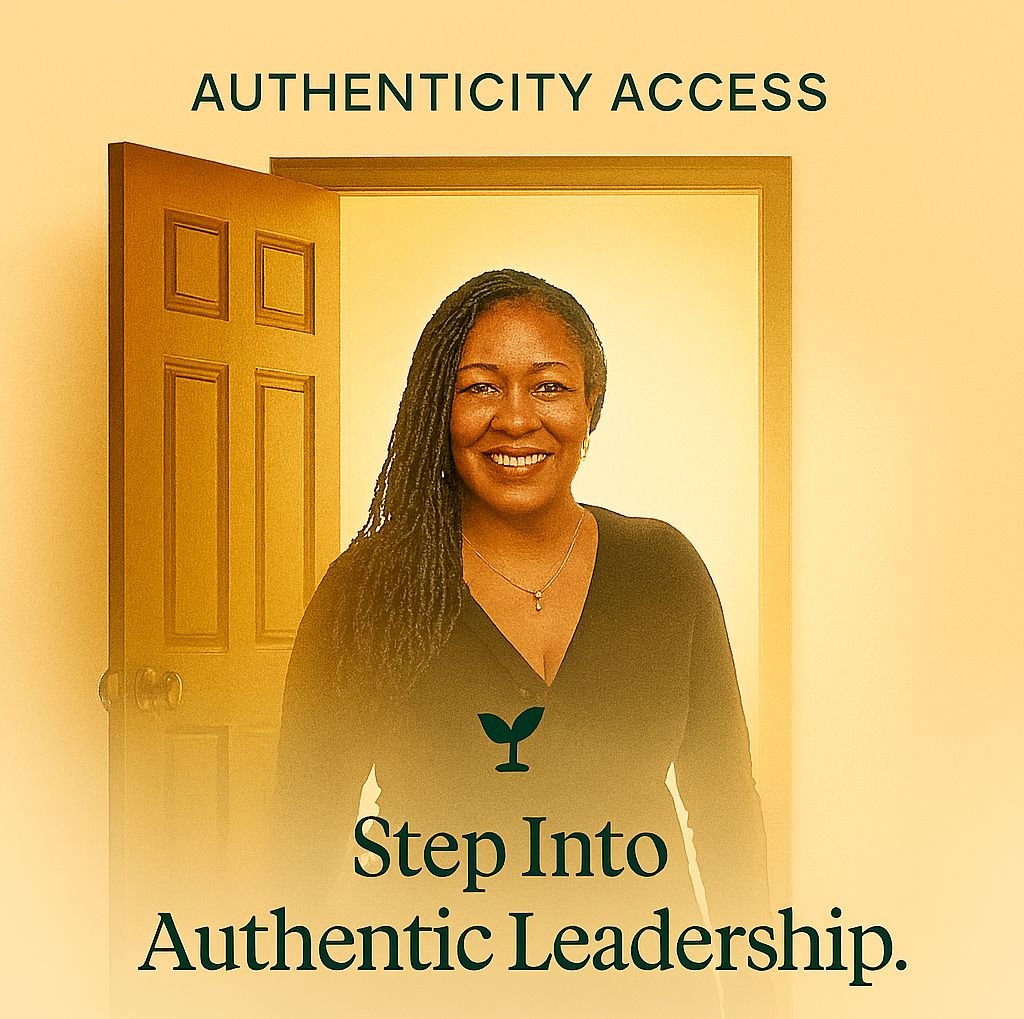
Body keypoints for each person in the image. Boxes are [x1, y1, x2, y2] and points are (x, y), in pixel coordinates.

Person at [273, 268, 770, 1016]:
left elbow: (727, 810)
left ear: (591, 405)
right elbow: (303, 831)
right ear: (438, 409)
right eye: (478, 387)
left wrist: (760, 1001)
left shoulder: (665, 568)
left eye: (547, 387)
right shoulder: (370, 589)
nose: (514, 419)